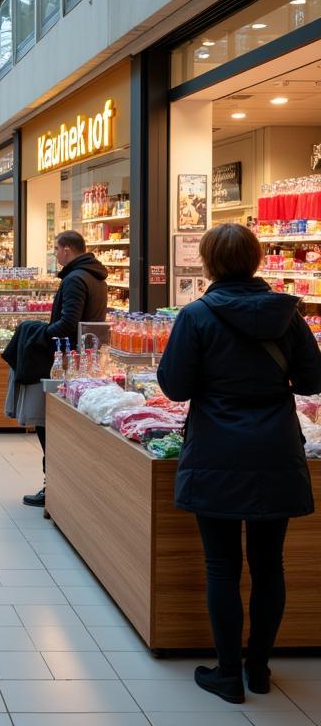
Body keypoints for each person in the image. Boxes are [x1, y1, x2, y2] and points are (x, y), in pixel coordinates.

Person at [157, 224, 321, 704]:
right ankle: (260, 669)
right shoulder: (289, 315)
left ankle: (227, 673)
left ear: (208, 263)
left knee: (221, 566)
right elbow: (312, 382)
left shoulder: (196, 315)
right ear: (255, 260)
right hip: (275, 448)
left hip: (216, 450)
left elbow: (174, 387)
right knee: (270, 565)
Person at [20, 230, 107, 508]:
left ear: (67, 249)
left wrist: (41, 333)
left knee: (50, 422)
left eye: (56, 248)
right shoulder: (95, 277)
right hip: (85, 358)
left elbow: (68, 322)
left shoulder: (74, 279)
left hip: (67, 359)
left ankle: (52, 486)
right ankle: (60, 485)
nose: (55, 254)